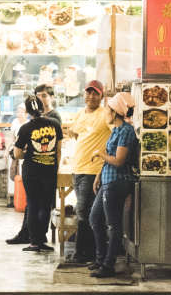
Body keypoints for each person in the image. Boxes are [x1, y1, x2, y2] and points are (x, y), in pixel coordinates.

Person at [88, 92, 139, 278]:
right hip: (107, 180)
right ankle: (101, 259)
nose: (105, 112)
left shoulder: (126, 131)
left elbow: (118, 161)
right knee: (94, 218)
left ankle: (108, 265)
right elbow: (111, 158)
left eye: (107, 109)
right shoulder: (116, 131)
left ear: (115, 111)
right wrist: (99, 175)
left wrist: (99, 154)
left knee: (113, 225)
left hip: (118, 182)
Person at [67, 80, 112, 264]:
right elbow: (74, 132)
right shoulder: (80, 114)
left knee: (84, 212)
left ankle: (83, 254)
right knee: (84, 212)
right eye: (89, 93)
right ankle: (88, 252)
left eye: (96, 93)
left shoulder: (105, 114)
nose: (91, 96)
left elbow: (115, 134)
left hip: (93, 171)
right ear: (84, 94)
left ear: (101, 96)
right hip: (78, 169)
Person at [12, 95, 63, 253]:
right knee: (45, 206)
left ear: (27, 110)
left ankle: (34, 242)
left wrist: (29, 152)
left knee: (33, 204)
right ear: (41, 107)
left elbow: (17, 154)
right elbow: (58, 150)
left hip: (32, 172)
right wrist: (54, 165)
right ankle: (41, 239)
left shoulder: (26, 128)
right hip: (50, 170)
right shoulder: (55, 124)